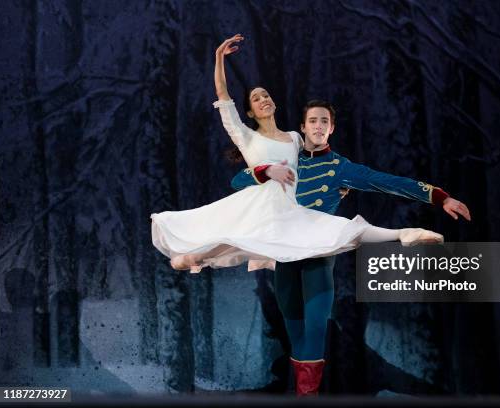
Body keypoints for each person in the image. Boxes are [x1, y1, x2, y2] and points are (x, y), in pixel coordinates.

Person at [230, 100, 471, 395]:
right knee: (295, 331)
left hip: (319, 250)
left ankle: (308, 396)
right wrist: (267, 171)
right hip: (285, 252)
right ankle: (302, 389)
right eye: (313, 121)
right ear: (303, 127)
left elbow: (385, 181)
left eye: (324, 122)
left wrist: (439, 197)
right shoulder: (286, 158)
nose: (318, 126)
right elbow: (238, 180)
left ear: (331, 129)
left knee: (317, 326)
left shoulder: (339, 167)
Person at [150, 33, 444, 274]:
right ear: (250, 111)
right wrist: (218, 58)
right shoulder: (245, 136)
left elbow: (314, 161)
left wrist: (335, 186)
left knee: (337, 230)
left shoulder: (293, 137)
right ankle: (194, 258)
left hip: (290, 207)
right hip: (260, 202)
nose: (263, 99)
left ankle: (405, 233)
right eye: (256, 98)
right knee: (232, 237)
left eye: (266, 95)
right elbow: (223, 97)